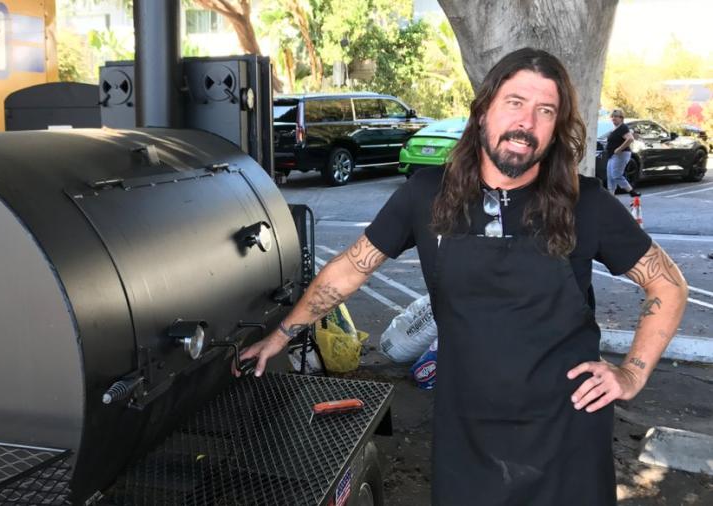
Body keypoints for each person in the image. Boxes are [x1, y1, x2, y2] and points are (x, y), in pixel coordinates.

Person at [237, 48, 688, 505]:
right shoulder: (426, 195)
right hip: (467, 432)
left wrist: (631, 373)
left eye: (545, 110)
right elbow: (352, 267)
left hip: (567, 432)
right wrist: (284, 333)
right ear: (484, 110)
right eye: (514, 102)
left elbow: (668, 284)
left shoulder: (585, 203)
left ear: (556, 127)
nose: (527, 122)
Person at [606, 109, 639, 196]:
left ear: (621, 118)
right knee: (610, 177)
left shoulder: (622, 127)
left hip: (620, 154)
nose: (614, 118)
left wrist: (619, 149)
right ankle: (611, 197)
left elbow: (630, 139)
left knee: (616, 175)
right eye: (612, 116)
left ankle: (632, 192)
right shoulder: (615, 129)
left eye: (616, 116)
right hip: (612, 155)